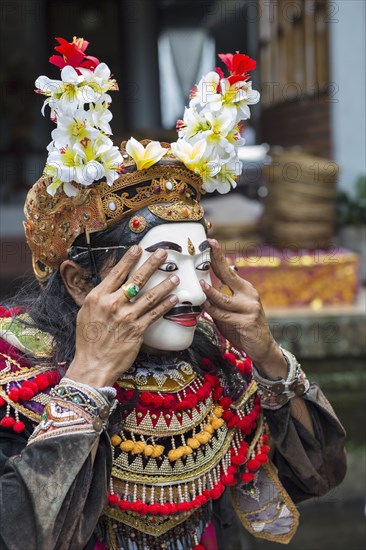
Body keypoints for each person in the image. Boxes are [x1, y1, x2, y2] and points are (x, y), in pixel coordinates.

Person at [0, 38, 346, 550]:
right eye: (163, 267)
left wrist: (268, 355)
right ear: (79, 282)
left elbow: (318, 474)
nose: (191, 291)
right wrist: (87, 382)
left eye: (201, 264)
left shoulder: (216, 365)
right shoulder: (16, 376)